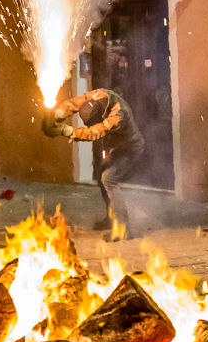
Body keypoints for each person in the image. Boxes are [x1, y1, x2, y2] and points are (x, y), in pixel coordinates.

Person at [42, 86, 145, 237]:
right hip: (114, 147)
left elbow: (96, 131)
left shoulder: (118, 114)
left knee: (108, 179)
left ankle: (123, 229)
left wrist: (65, 131)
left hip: (129, 148)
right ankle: (111, 218)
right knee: (101, 175)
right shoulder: (97, 96)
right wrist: (59, 113)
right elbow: (76, 103)